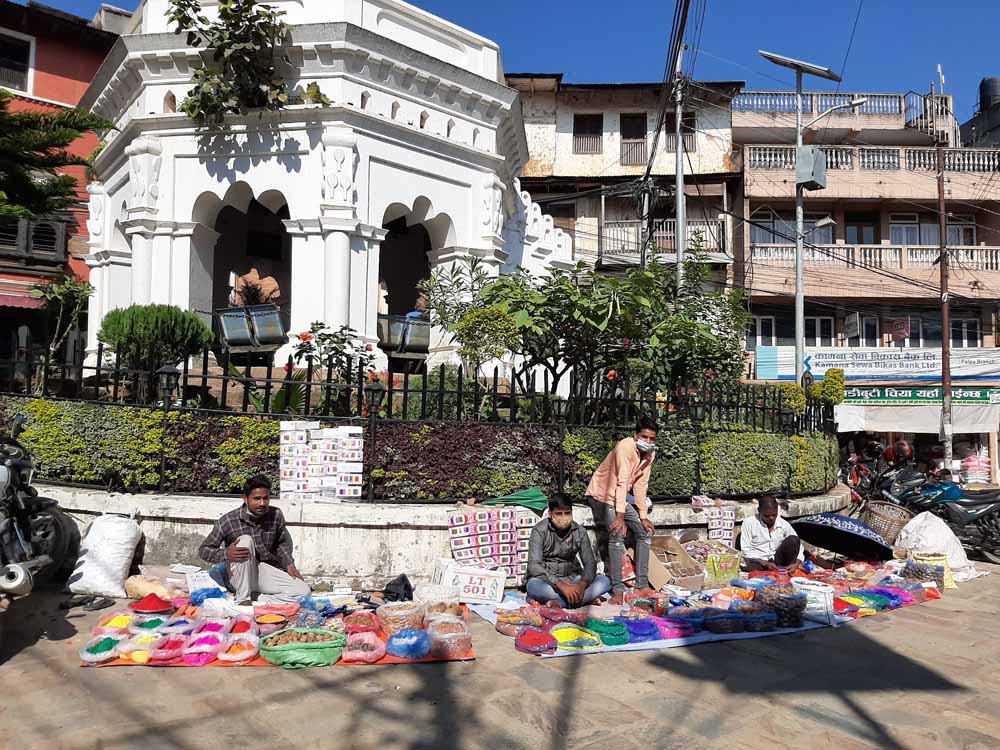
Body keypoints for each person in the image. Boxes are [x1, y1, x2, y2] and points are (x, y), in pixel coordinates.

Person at [199, 475, 311, 604]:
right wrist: (226, 554)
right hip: (239, 574)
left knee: (303, 592)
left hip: (262, 571)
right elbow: (204, 550)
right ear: (245, 499)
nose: (262, 503)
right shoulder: (228, 520)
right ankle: (243, 599)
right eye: (257, 499)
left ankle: (256, 598)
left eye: (266, 498)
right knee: (244, 541)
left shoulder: (276, 515)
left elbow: (281, 543)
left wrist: (289, 564)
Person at [585, 416, 658, 603]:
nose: (648, 442)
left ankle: (641, 584)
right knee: (617, 535)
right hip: (602, 495)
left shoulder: (650, 454)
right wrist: (620, 516)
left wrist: (643, 516)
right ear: (636, 435)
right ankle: (617, 589)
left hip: (620, 497)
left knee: (644, 532)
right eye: (644, 437)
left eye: (652, 438)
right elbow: (621, 480)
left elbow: (642, 485)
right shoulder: (625, 446)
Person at [525, 494, 611, 608]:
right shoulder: (539, 531)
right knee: (535, 588)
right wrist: (560, 585)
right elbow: (534, 566)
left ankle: (560, 603)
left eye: (567, 513)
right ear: (550, 514)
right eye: (558, 514)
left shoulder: (580, 531)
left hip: (572, 580)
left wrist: (582, 585)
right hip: (546, 582)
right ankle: (582, 599)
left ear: (571, 513)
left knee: (605, 582)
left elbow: (590, 563)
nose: (563, 517)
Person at [739, 495, 804, 572]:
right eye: (767, 516)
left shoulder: (783, 524)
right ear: (759, 510)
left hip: (777, 560)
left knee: (794, 540)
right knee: (747, 565)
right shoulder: (749, 523)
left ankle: (784, 568)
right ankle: (771, 570)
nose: (771, 518)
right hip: (758, 561)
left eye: (774, 515)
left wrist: (797, 563)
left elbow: (799, 546)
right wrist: (764, 563)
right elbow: (745, 550)